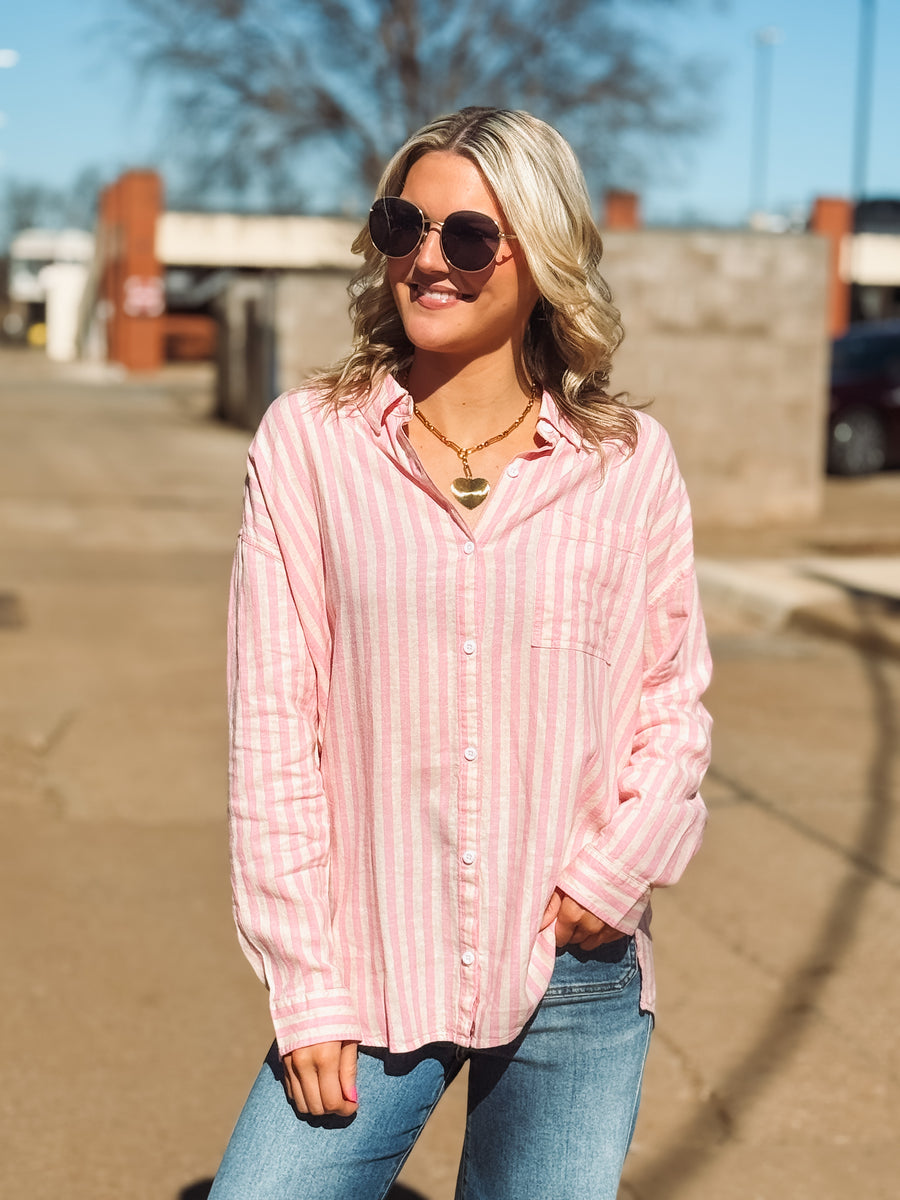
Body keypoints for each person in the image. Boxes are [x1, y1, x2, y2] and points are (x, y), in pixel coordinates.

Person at [211, 106, 712, 1200]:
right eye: (405, 224)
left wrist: (618, 872)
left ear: (541, 255)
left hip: (574, 966)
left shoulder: (628, 463)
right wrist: (305, 980)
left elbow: (674, 697)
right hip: (373, 963)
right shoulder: (311, 443)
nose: (429, 259)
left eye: (470, 236)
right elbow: (272, 725)